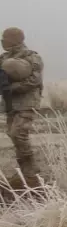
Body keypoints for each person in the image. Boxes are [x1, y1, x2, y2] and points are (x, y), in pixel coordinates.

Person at [1, 27, 44, 184]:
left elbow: (35, 80)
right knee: (13, 135)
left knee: (18, 134)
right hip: (10, 103)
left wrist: (12, 88)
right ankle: (25, 174)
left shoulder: (32, 57)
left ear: (14, 40)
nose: (2, 41)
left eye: (5, 38)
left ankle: (31, 174)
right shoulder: (4, 57)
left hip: (27, 102)